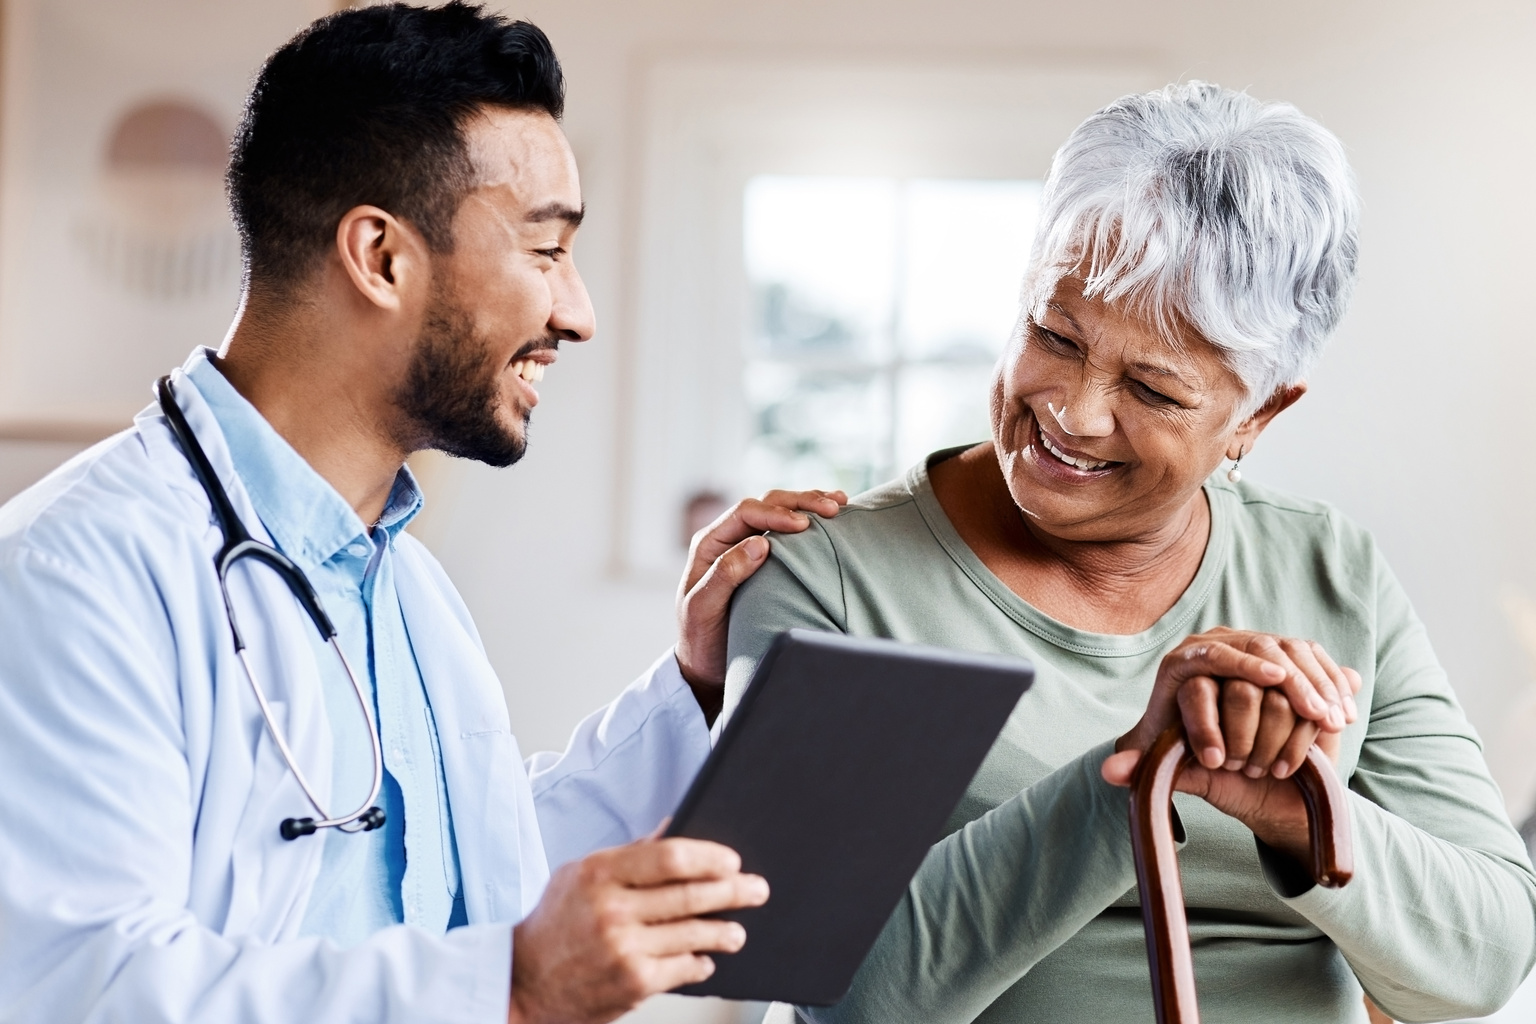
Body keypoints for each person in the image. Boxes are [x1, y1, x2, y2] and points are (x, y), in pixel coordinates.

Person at [0, 5, 849, 1023]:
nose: (576, 313)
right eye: (546, 250)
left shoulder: (399, 578)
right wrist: (514, 987)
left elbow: (472, 883)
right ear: (382, 257)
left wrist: (695, 686)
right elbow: (72, 986)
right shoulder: (71, 574)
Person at [725, 82, 1536, 1023]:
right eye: (1053, 334)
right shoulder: (828, 577)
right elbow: (824, 994)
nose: (1073, 410)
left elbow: (1488, 959)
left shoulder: (1332, 570)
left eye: (1152, 390)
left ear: (1258, 416)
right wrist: (1135, 776)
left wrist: (1290, 806)